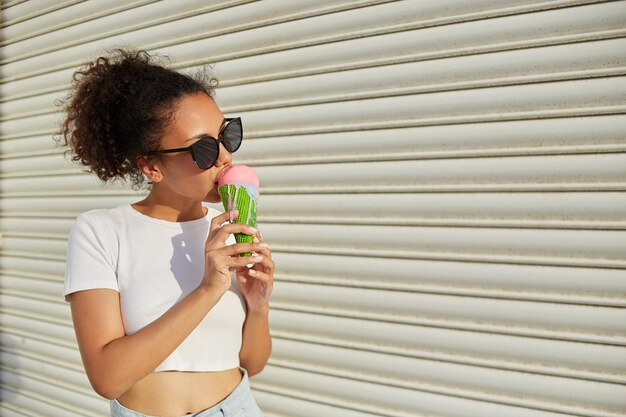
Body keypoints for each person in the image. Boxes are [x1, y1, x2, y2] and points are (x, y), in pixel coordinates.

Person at [54, 48, 274, 417]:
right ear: (151, 166)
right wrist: (208, 289)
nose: (224, 157)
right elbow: (107, 378)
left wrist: (259, 305)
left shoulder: (228, 231)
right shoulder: (102, 231)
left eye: (226, 135)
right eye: (202, 149)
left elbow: (252, 362)